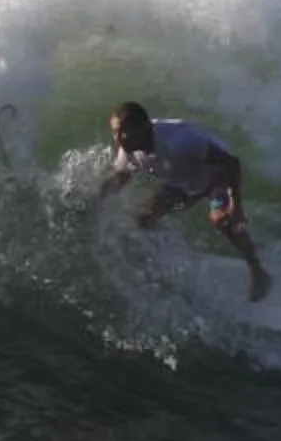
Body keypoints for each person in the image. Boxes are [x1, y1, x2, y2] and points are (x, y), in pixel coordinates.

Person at [101, 100, 271, 301]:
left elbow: (231, 163)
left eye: (123, 132)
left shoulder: (180, 140)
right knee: (143, 220)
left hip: (214, 177)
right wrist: (94, 198)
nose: (118, 139)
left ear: (144, 127)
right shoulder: (128, 150)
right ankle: (163, 260)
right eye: (115, 132)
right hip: (180, 181)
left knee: (222, 220)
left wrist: (236, 207)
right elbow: (119, 179)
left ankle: (258, 272)